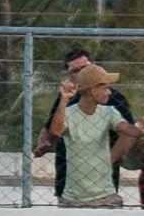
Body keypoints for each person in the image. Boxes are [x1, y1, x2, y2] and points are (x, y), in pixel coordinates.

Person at [35, 48, 135, 200]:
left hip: (101, 181)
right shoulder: (66, 97)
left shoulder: (112, 98)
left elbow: (129, 134)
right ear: (69, 74)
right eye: (75, 71)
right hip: (68, 174)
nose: (81, 72)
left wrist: (108, 161)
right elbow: (50, 126)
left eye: (85, 67)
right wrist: (44, 143)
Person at [49, 64, 144, 208]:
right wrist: (64, 99)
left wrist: (140, 130)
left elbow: (125, 128)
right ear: (92, 91)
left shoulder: (109, 112)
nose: (109, 92)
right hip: (73, 198)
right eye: (105, 88)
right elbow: (55, 131)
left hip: (106, 196)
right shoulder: (69, 114)